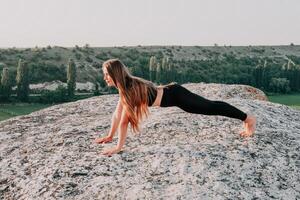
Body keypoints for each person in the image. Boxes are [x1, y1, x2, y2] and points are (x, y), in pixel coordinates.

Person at [95, 59, 256, 156]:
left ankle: (248, 119)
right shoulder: (125, 88)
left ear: (115, 74)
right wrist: (109, 136)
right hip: (174, 94)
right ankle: (245, 118)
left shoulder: (130, 89)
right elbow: (117, 115)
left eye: (107, 75)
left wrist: (118, 147)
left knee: (210, 107)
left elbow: (124, 122)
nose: (105, 78)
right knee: (210, 106)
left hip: (178, 96)